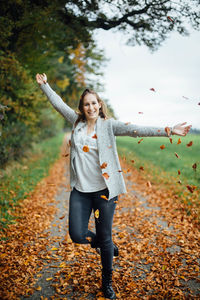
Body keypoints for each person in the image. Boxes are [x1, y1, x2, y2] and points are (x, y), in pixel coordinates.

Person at [36, 73, 191, 299]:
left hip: (104, 192)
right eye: (86, 104)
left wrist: (168, 130)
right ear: (82, 107)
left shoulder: (108, 125)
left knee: (105, 235)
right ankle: (104, 243)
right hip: (80, 191)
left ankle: (107, 281)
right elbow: (58, 104)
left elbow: (136, 129)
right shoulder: (76, 121)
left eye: (94, 103)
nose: (90, 107)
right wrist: (45, 86)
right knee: (77, 234)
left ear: (100, 105)